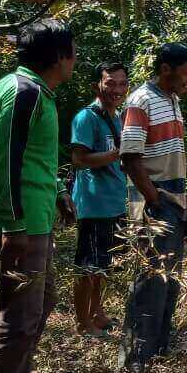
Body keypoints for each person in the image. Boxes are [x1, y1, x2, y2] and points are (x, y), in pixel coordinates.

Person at [0, 19, 77, 373]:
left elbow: (31, 157)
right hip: (23, 225)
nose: (75, 60)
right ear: (57, 56)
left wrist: (57, 191)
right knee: (19, 317)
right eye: (72, 52)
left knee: (43, 300)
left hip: (36, 218)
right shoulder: (23, 93)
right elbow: (3, 159)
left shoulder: (37, 93)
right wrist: (13, 226)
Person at [119, 42, 187, 369]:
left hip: (173, 197)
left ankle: (158, 350)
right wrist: (154, 201)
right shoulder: (141, 100)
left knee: (169, 279)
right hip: (155, 200)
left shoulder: (172, 100)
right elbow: (130, 158)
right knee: (151, 280)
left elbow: (174, 159)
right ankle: (136, 360)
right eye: (186, 73)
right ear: (166, 69)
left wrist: (184, 207)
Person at [69, 61, 130, 336]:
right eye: (110, 83)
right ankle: (83, 322)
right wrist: (117, 153)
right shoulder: (87, 117)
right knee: (88, 266)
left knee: (104, 264)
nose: (117, 89)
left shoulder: (117, 117)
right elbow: (79, 160)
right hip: (94, 204)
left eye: (122, 83)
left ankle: (98, 312)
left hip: (115, 202)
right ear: (98, 85)